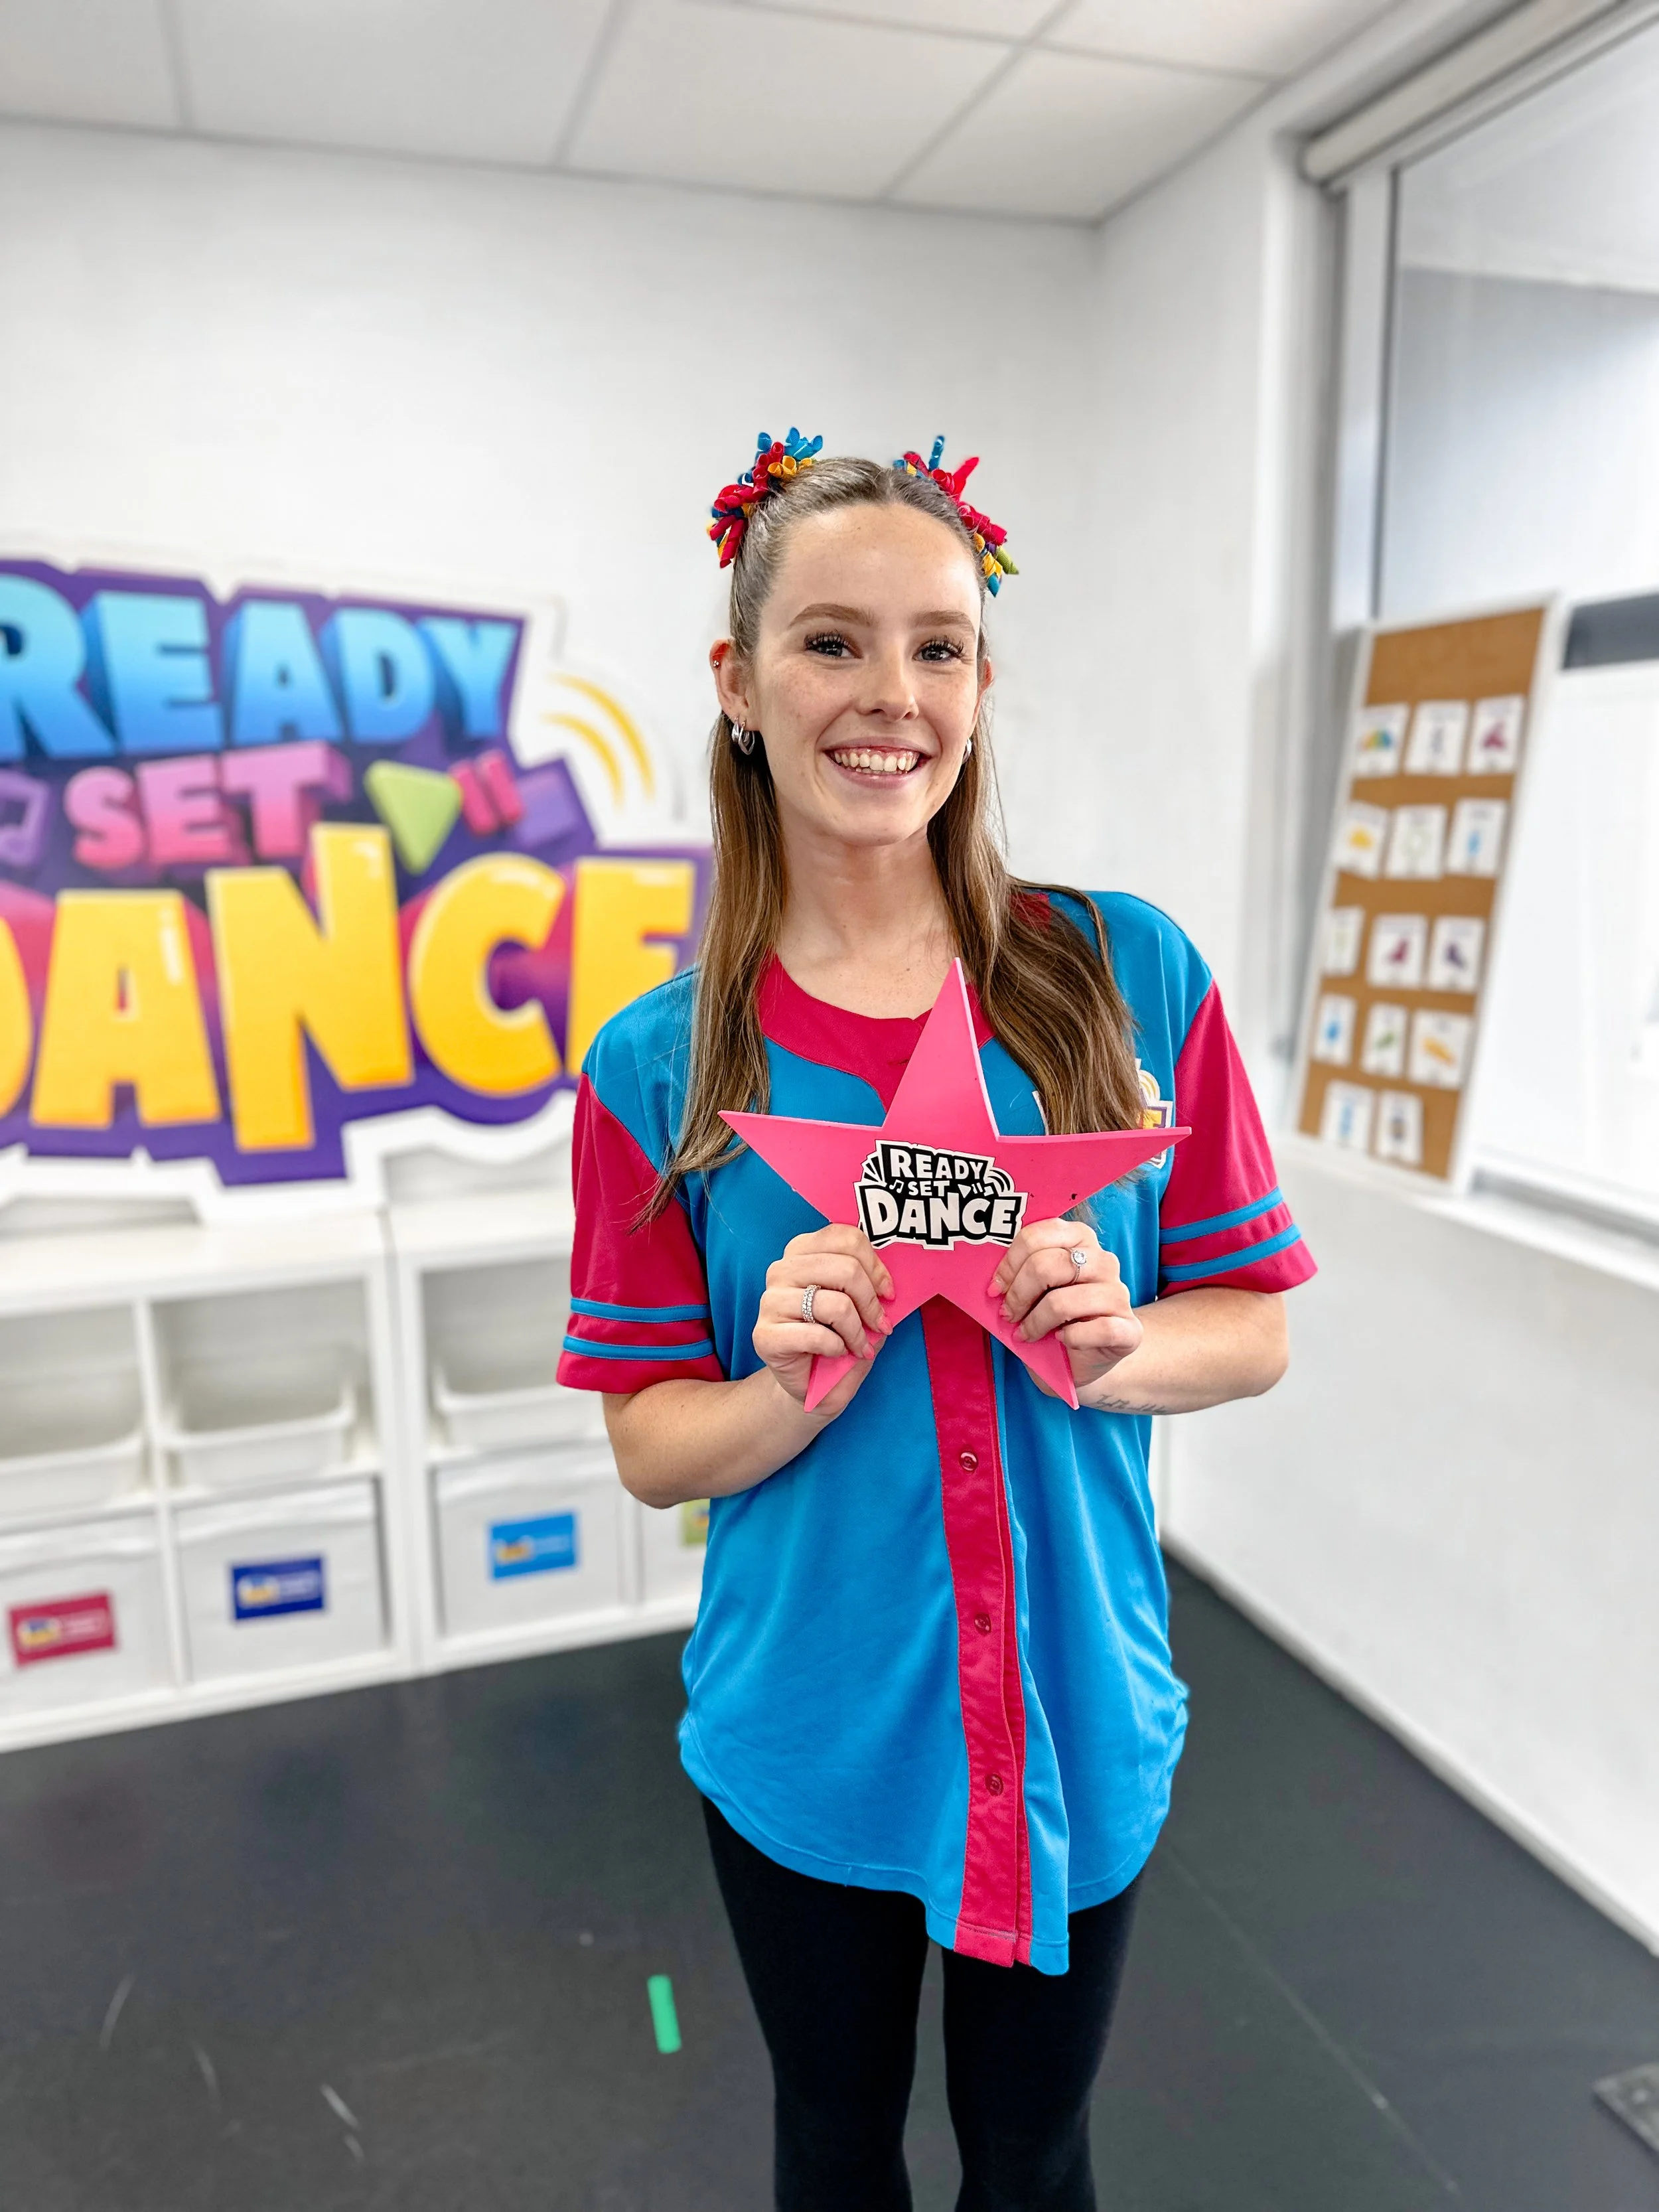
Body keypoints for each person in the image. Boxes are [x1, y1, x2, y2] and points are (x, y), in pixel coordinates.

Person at [557, 429, 1316, 2211]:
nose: (887, 694)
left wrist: (1115, 1338)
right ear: (737, 681)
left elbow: (1255, 1326)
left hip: (1079, 1706)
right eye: (829, 641)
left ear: (981, 678)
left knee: (1035, 2153)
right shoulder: (655, 1066)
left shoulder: (1126, 975)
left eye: (937, 644)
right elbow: (647, 1438)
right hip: (805, 1720)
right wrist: (780, 1386)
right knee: (831, 2145)